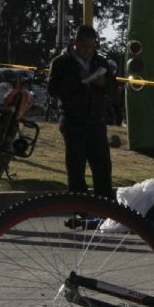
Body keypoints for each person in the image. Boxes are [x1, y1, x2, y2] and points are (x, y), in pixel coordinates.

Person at [48, 25, 120, 199]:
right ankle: (79, 211)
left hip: (96, 121)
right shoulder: (61, 62)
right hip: (73, 121)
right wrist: (78, 79)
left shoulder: (100, 62)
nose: (88, 51)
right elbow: (52, 89)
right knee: (76, 168)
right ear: (75, 43)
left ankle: (105, 211)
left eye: (91, 46)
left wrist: (103, 83)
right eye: (84, 47)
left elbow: (114, 91)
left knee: (102, 168)